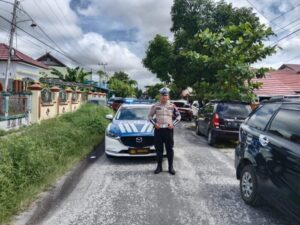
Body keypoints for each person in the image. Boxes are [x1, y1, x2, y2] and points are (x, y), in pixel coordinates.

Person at [148, 87, 181, 175]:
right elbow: (150, 117)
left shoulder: (172, 106)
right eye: (162, 95)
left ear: (168, 96)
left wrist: (173, 124)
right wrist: (154, 124)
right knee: (159, 149)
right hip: (158, 130)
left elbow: (178, 116)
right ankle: (159, 167)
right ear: (160, 96)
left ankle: (171, 167)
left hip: (168, 130)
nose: (164, 97)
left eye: (165, 95)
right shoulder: (155, 106)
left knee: (169, 149)